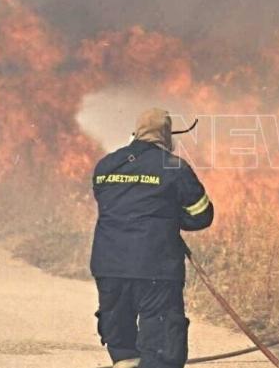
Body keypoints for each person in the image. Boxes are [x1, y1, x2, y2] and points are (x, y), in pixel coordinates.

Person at [90, 108, 214, 368]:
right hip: (155, 267)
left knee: (122, 346)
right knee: (161, 347)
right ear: (167, 136)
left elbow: (112, 205)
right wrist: (169, 219)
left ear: (136, 133)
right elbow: (202, 214)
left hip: (110, 266)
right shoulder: (174, 166)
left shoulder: (106, 165)